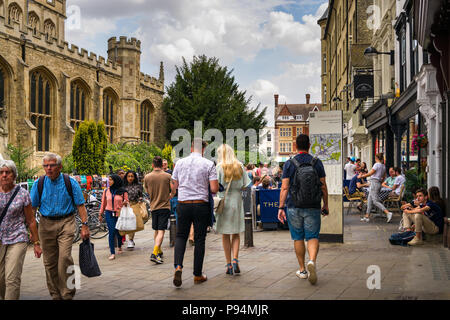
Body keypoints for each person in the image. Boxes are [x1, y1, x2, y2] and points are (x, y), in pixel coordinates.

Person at [30, 153, 89, 300]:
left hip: (66, 222)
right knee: (49, 262)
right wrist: (32, 232)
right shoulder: (39, 183)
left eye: (52, 165)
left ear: (60, 167)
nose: (48, 168)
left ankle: (68, 293)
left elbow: (80, 205)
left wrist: (85, 225)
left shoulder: (70, 182)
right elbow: (32, 209)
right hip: (45, 223)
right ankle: (55, 294)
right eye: (46, 165)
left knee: (64, 258)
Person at [278, 134, 329, 285]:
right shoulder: (317, 163)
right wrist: (325, 204)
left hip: (294, 206)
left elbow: (285, 187)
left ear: (296, 146)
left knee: (298, 237)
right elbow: (324, 187)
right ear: (309, 146)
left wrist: (281, 207)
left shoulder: (289, 164)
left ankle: (302, 269)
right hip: (313, 205)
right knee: (312, 236)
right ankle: (312, 261)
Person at [171, 138, 218, 287]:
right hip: (200, 204)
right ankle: (197, 274)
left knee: (180, 236)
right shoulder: (209, 164)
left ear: (191, 148)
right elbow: (214, 189)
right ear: (203, 149)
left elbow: (174, 186)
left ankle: (178, 266)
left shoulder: (179, 163)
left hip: (183, 204)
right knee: (199, 239)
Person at [0, 160, 42, 300]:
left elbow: (30, 220)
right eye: (1, 172)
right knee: (1, 279)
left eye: (8, 172)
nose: (4, 175)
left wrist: (36, 243)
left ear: (14, 175)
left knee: (12, 278)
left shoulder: (22, 194)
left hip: (17, 237)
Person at [215, 144, 251, 276]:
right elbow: (246, 184)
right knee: (236, 233)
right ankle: (236, 259)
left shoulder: (219, 167)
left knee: (225, 234)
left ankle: (228, 263)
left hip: (224, 201)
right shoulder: (240, 166)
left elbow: (215, 186)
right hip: (237, 201)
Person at [144, 156, 173, 264]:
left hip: (153, 206)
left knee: (156, 230)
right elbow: (173, 189)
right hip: (164, 206)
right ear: (162, 165)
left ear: (152, 165)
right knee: (161, 230)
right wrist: (170, 195)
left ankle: (159, 250)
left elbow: (146, 190)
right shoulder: (167, 176)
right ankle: (155, 252)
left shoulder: (147, 177)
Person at [99, 174, 129, 260]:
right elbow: (103, 203)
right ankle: (112, 252)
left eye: (111, 180)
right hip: (109, 213)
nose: (109, 181)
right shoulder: (106, 191)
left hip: (119, 213)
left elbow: (127, 201)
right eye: (109, 180)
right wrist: (100, 214)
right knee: (111, 231)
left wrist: (125, 203)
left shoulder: (123, 191)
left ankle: (119, 245)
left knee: (118, 231)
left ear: (116, 181)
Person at [358, 153, 393, 223]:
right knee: (370, 200)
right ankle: (367, 216)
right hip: (378, 183)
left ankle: (387, 212)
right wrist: (380, 182)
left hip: (374, 183)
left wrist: (362, 176)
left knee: (375, 201)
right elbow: (384, 176)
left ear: (376, 158)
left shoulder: (376, 165)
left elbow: (371, 173)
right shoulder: (383, 166)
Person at [123, 171, 144, 250]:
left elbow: (141, 195)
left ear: (134, 177)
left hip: (135, 205)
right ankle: (128, 239)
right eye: (129, 176)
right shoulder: (123, 186)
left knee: (133, 223)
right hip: (125, 206)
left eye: (132, 176)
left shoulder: (138, 186)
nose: (130, 178)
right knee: (127, 223)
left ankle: (130, 240)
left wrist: (140, 199)